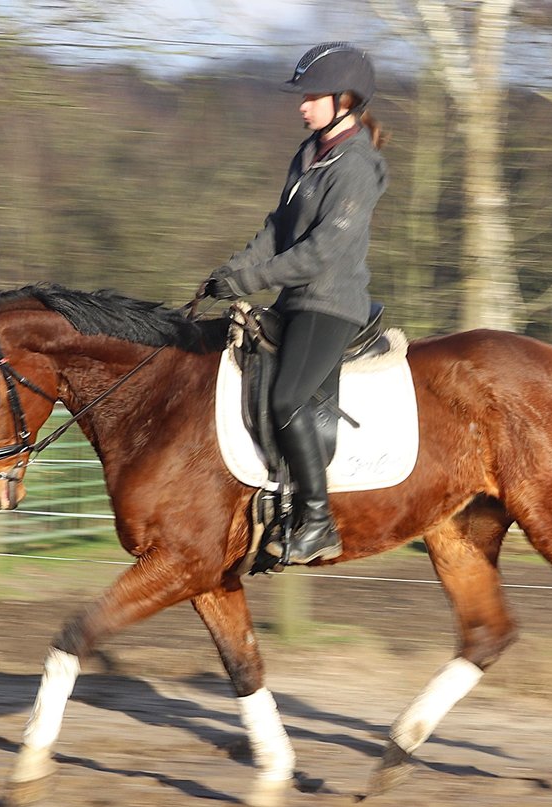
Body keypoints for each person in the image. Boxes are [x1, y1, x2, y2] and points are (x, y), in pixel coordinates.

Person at [198, 42, 389, 565]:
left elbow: (321, 252)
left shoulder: (356, 167)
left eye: (312, 96)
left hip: (330, 303)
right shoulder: (308, 155)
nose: (302, 105)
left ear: (345, 100)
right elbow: (277, 230)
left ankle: (318, 520)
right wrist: (234, 271)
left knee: (287, 400)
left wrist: (254, 279)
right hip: (293, 298)